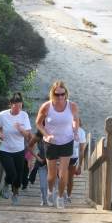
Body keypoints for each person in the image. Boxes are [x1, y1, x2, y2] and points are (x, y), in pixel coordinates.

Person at [36, 81, 79, 209]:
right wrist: (46, 134)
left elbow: (76, 120)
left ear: (66, 93)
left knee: (63, 172)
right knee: (52, 175)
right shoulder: (46, 107)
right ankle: (50, 192)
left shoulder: (72, 106)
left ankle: (60, 197)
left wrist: (75, 131)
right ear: (52, 94)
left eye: (62, 94)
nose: (60, 97)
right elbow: (38, 123)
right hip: (51, 143)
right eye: (57, 94)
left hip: (67, 141)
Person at [0, 92, 32, 205]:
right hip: (4, 150)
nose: (18, 109)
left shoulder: (24, 115)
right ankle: (6, 184)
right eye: (16, 106)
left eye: (20, 106)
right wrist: (0, 133)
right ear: (11, 104)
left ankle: (15, 194)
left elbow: (28, 135)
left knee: (19, 176)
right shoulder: (3, 115)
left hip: (19, 151)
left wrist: (21, 129)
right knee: (12, 173)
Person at [66, 118, 86, 202]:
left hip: (73, 157)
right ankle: (59, 194)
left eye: (76, 121)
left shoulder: (81, 132)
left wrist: (80, 165)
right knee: (61, 176)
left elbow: (82, 150)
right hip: (62, 156)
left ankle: (68, 196)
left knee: (70, 178)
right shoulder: (64, 129)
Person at [27, 129, 48, 205]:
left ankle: (55, 198)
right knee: (43, 184)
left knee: (54, 182)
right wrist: (37, 158)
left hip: (52, 161)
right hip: (41, 161)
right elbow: (29, 147)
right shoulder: (37, 136)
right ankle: (44, 199)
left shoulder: (53, 133)